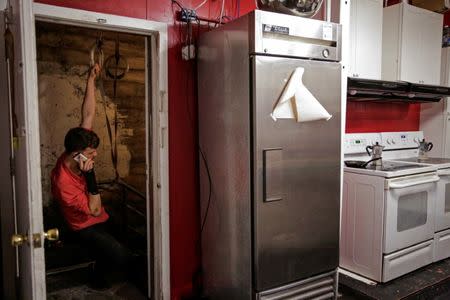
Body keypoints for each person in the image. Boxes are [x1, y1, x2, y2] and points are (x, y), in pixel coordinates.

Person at [51, 64, 135, 289]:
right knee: (122, 257)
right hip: (83, 225)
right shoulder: (63, 184)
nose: (95, 154)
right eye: (91, 153)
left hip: (99, 215)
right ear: (76, 154)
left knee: (125, 242)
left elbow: (87, 112)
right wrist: (90, 177)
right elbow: (94, 209)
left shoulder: (77, 145)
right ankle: (97, 281)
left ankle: (102, 265)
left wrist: (91, 78)